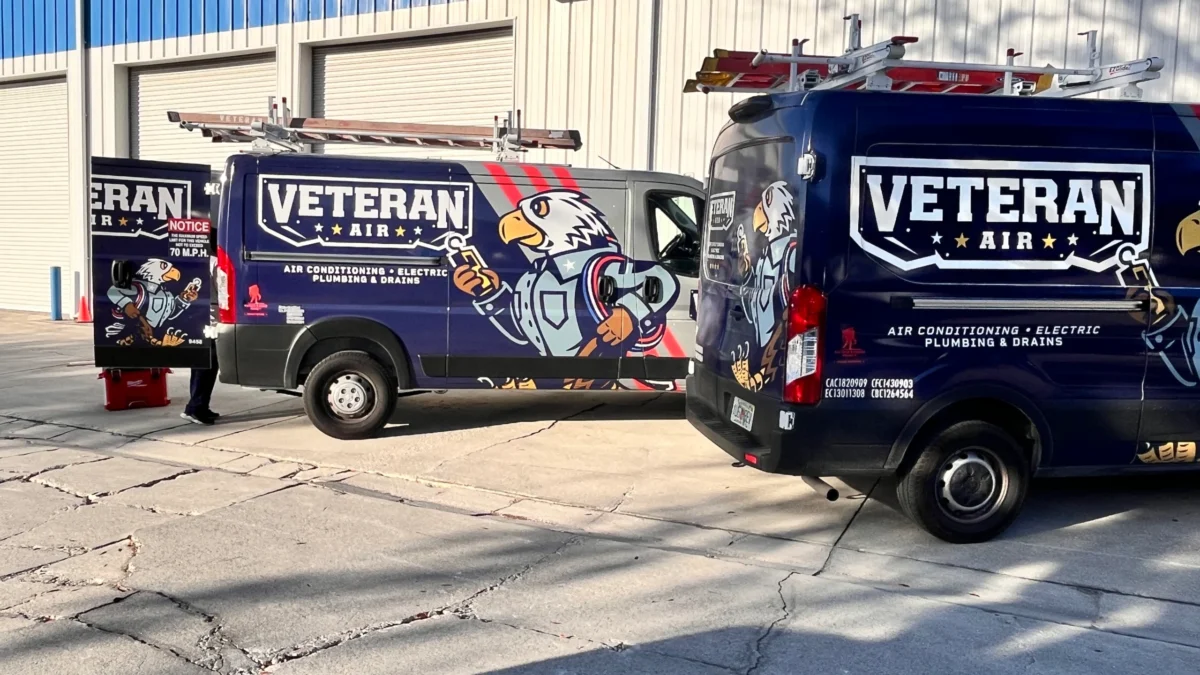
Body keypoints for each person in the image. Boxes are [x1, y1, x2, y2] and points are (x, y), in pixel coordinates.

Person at [180, 342, 220, 425]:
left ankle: (201, 407)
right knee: (205, 369)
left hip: (205, 338)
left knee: (208, 367)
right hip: (203, 337)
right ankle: (195, 409)